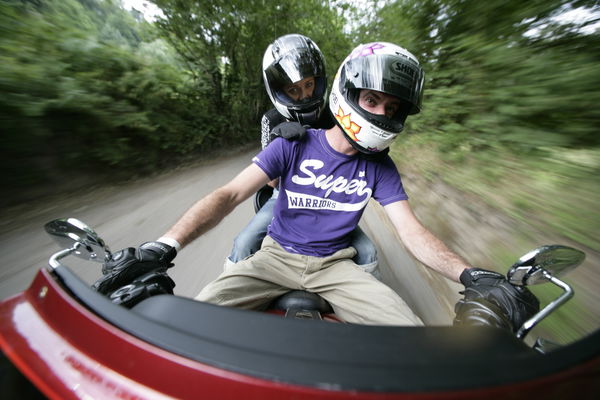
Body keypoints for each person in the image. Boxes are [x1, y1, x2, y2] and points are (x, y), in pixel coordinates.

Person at [96, 42, 538, 328]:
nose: (382, 114)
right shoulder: (290, 142)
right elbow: (229, 194)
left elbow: (411, 232)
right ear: (349, 94)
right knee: (184, 328)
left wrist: (471, 274)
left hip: (335, 265)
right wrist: (164, 246)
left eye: (392, 106)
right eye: (371, 99)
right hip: (273, 256)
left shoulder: (381, 166)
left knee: (414, 338)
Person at [227, 33, 380, 278]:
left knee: (368, 251)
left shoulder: (335, 112)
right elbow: (270, 182)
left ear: (319, 82)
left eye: (309, 85)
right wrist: (281, 143)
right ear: (281, 92)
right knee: (244, 243)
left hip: (334, 198)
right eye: (294, 90)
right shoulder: (272, 119)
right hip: (285, 195)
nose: (305, 95)